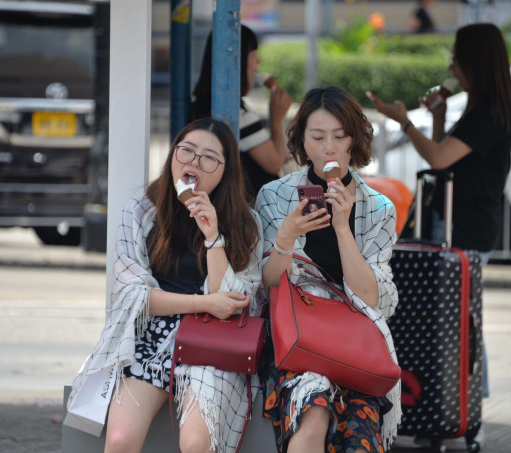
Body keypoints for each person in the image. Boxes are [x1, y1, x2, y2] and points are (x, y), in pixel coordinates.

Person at [67, 118, 264, 453]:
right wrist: (201, 303)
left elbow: (233, 300)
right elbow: (133, 297)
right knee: (119, 441)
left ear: (225, 170)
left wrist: (213, 235)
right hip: (151, 336)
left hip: (212, 343)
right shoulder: (143, 210)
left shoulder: (245, 223)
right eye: (186, 151)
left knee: (196, 444)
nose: (193, 163)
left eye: (208, 158)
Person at [368, 22, 511, 443]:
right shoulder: (480, 108)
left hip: (466, 229)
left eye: (456, 57)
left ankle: (469, 408)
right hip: (456, 224)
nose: (451, 65)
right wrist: (436, 118)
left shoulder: (488, 113)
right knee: (453, 319)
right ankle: (450, 406)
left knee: (462, 322)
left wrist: (404, 122)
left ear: (473, 63)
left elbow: (436, 157)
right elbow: (445, 161)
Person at [255, 86, 401, 453]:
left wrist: (341, 226)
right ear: (302, 141)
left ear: (355, 139)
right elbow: (267, 284)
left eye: (339, 136)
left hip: (353, 341)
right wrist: (286, 236)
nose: (329, 148)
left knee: (360, 438)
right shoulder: (274, 196)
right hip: (297, 340)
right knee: (312, 415)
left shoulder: (379, 207)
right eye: (318, 137)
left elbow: (374, 298)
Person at [191, 24, 293, 204]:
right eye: (254, 54)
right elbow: (274, 162)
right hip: (247, 208)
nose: (258, 63)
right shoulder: (233, 112)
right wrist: (276, 118)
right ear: (238, 60)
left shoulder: (202, 105)